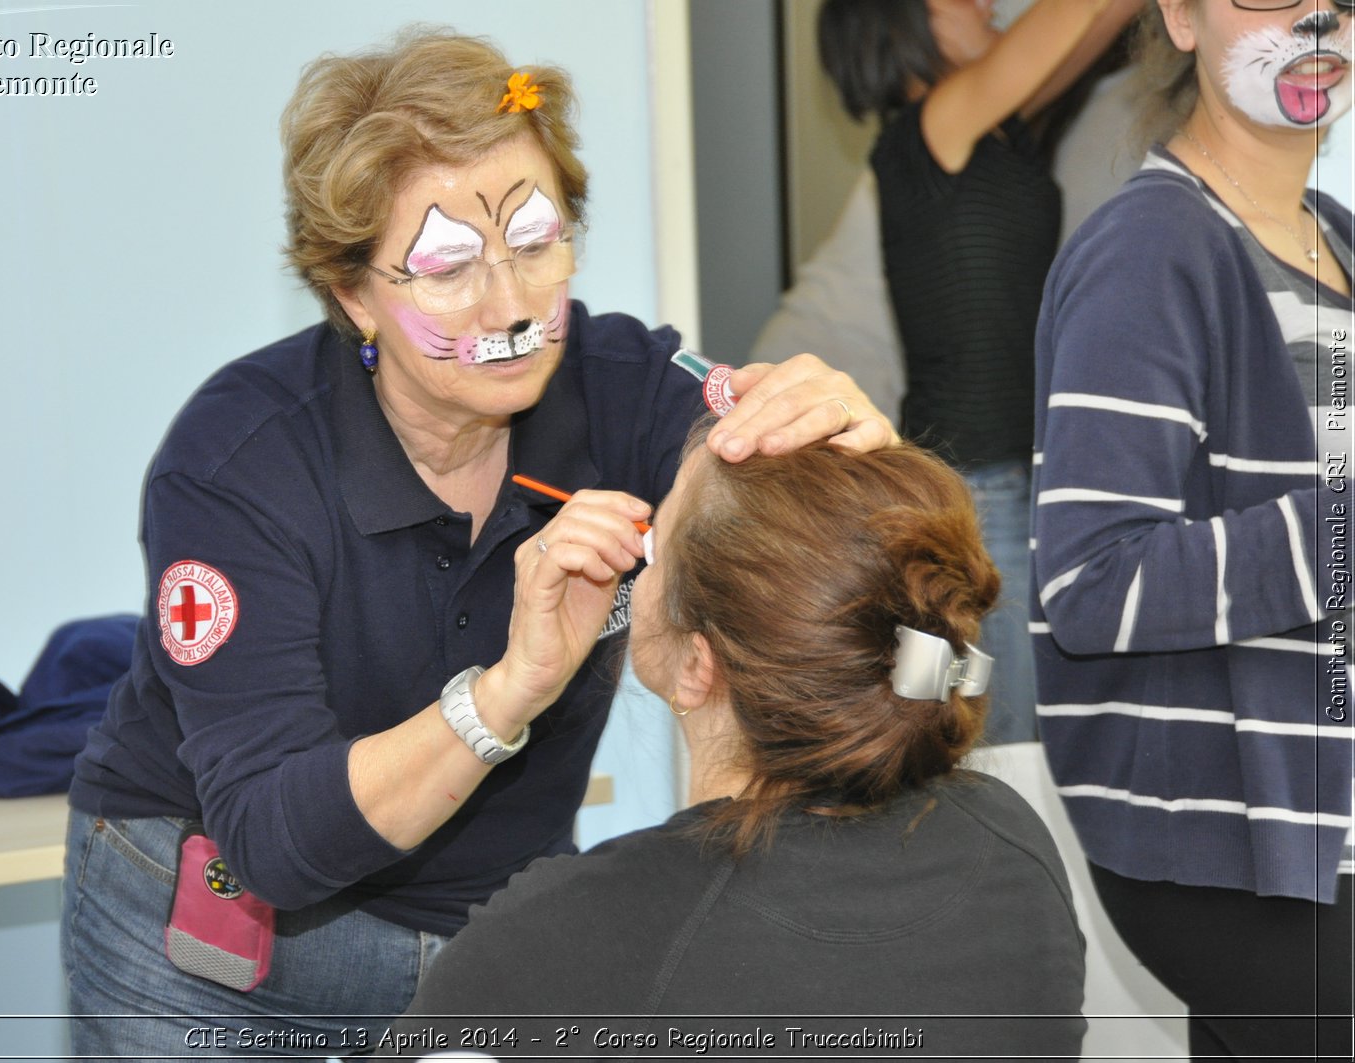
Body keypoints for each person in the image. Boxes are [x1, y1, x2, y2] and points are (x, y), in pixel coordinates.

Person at [57, 28, 896, 1056]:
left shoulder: (621, 386)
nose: (511, 308)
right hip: (220, 952)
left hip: (488, 943)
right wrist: (508, 691)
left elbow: (803, 523)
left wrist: (849, 444)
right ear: (351, 292)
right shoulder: (236, 466)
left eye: (537, 242)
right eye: (449, 267)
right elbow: (275, 840)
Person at [390, 431, 1087, 1058]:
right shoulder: (1012, 843)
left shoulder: (568, 939)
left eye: (653, 542)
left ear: (698, 664)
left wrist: (513, 683)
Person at [1031, 1, 1353, 1057]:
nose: (1317, 19)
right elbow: (1088, 581)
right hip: (1237, 840)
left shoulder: (1337, 241)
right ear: (1177, 16)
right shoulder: (1148, 253)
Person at [815, 0, 1142, 745]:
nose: (988, 4)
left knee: (1002, 729)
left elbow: (1097, 24)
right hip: (976, 490)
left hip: (1005, 480)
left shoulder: (993, 128)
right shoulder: (935, 125)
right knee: (1002, 738)